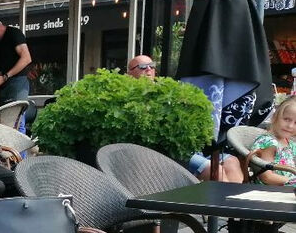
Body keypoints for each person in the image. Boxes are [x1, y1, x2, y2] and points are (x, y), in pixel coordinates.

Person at [127, 54, 243, 183]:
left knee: (232, 162)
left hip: (193, 148)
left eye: (152, 65)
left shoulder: (169, 91)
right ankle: (224, 196)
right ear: (129, 73)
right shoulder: (130, 97)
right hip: (169, 154)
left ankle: (235, 196)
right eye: (143, 66)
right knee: (214, 171)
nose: (149, 69)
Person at [251, 95, 296, 186]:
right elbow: (267, 177)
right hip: (273, 190)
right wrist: (292, 182)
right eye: (287, 119)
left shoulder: (290, 144)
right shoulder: (269, 142)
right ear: (275, 117)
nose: (290, 126)